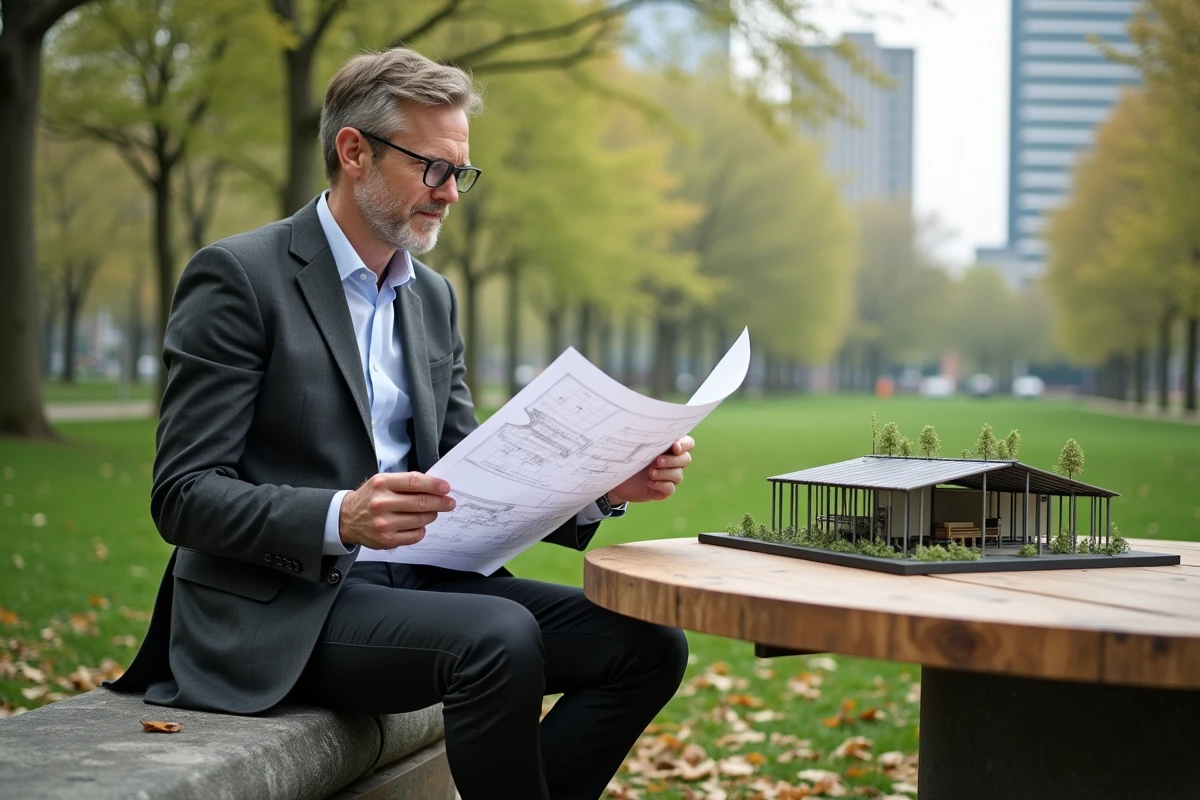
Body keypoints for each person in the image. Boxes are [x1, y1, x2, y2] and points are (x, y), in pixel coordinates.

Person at [111, 47, 695, 800]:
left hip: (418, 583)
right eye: (434, 169)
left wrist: (601, 487)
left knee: (647, 645)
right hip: (281, 611)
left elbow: (472, 464)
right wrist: (341, 516)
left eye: (462, 172)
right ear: (353, 151)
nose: (452, 194)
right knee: (499, 638)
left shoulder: (432, 298)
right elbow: (183, 495)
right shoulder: (239, 278)